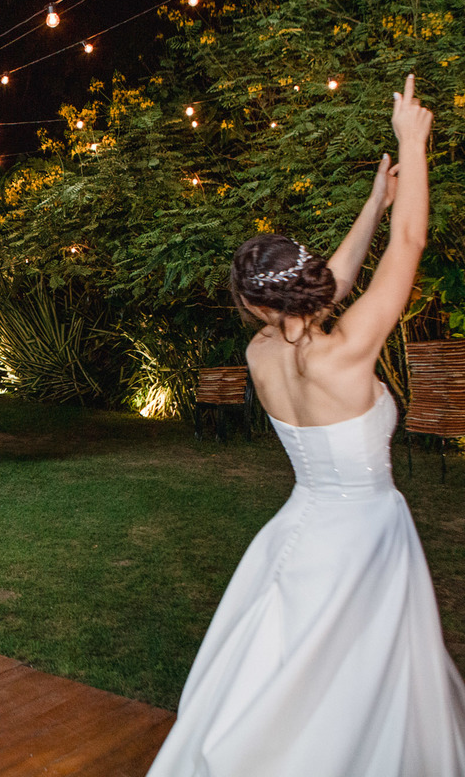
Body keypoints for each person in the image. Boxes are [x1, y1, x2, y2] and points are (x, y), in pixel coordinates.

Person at [148, 76, 465, 775]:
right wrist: (413, 141)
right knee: (360, 681)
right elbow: (409, 246)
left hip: (301, 527)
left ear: (258, 305)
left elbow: (340, 278)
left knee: (293, 675)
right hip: (367, 536)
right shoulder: (347, 353)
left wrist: (373, 202)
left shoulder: (262, 353)